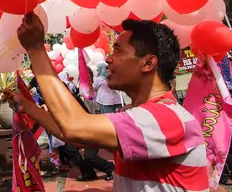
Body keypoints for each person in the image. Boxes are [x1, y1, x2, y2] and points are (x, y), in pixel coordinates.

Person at [11, 15, 209, 191]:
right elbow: (78, 137)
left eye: (118, 50)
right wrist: (26, 106)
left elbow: (76, 128)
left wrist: (36, 49)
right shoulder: (137, 113)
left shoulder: (165, 118)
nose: (108, 59)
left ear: (148, 63)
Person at [16, 75, 114, 182]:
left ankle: (110, 169)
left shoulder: (73, 100)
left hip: (89, 129)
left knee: (89, 157)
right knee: (69, 150)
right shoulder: (55, 102)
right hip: (75, 130)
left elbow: (80, 115)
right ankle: (88, 172)